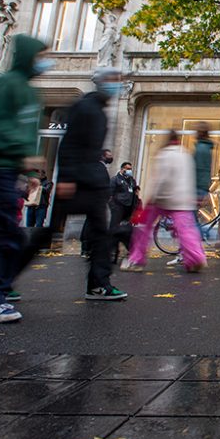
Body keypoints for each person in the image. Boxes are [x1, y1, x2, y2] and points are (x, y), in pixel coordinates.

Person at [0, 35, 50, 323]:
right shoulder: (8, 85)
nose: (44, 63)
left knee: (7, 233)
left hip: (8, 169)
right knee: (3, 234)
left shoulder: (24, 89)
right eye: (40, 57)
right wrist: (19, 154)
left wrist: (27, 172)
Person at [49, 67, 127, 301]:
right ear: (102, 82)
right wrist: (66, 179)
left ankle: (98, 284)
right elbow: (70, 145)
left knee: (102, 234)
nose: (118, 85)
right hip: (77, 183)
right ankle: (5, 275)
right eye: (115, 80)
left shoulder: (100, 110)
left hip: (92, 185)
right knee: (46, 235)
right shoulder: (86, 108)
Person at [123, 131, 207, 272]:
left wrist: (151, 197)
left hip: (161, 199)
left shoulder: (164, 155)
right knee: (186, 231)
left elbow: (160, 179)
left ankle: (136, 259)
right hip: (182, 200)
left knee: (144, 229)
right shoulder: (185, 155)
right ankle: (195, 258)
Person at [193, 123, 213, 207]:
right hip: (201, 187)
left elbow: (199, 169)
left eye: (197, 131)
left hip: (197, 187)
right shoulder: (205, 147)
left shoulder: (201, 148)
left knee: (191, 216)